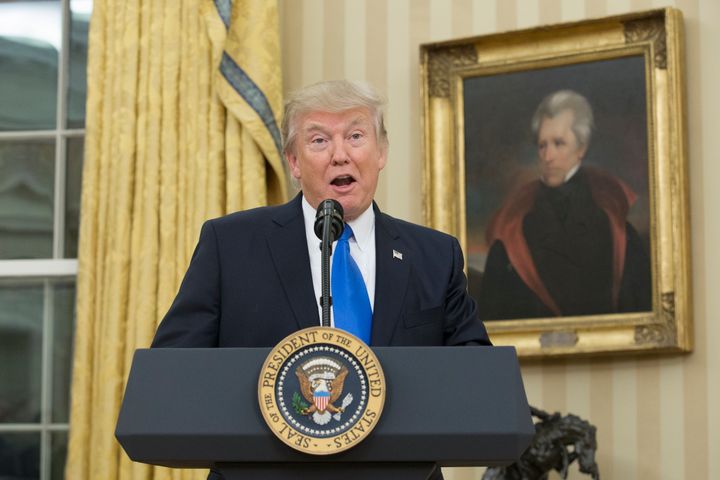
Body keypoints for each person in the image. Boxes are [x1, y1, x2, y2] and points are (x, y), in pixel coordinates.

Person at [151, 80, 491, 478]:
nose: (340, 155)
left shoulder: (434, 255)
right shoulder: (229, 245)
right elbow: (174, 369)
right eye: (318, 140)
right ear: (294, 162)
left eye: (356, 136)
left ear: (381, 152)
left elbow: (476, 377)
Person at [477, 90, 651, 321]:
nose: (548, 156)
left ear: (581, 149)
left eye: (559, 144)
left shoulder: (613, 227)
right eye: (542, 146)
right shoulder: (514, 229)